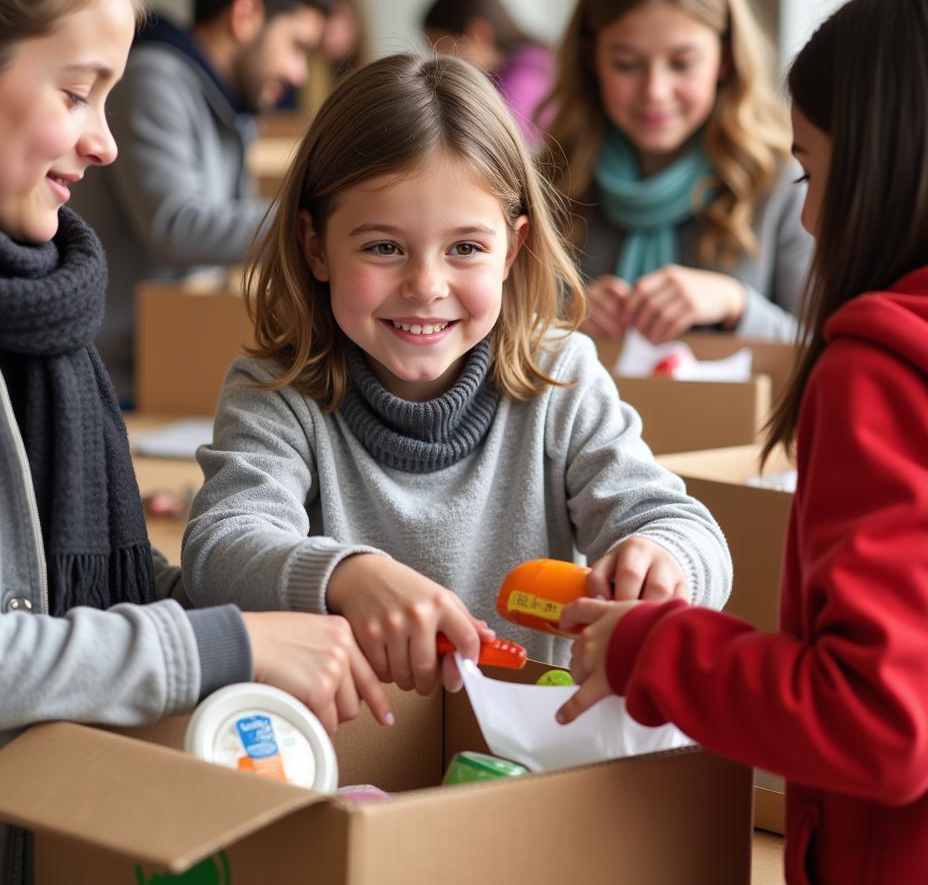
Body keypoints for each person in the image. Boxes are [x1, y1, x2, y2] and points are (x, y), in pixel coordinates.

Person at [0, 0, 390, 883]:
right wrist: (219, 644)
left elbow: (52, 595)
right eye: (77, 92)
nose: (105, 139)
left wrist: (327, 585)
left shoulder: (34, 301)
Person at [180, 52, 731, 693]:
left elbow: (685, 528)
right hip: (355, 744)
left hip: (528, 754)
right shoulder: (277, 392)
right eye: (383, 248)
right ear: (315, 247)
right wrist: (345, 576)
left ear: (512, 250)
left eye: (465, 248)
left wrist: (664, 562)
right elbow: (218, 550)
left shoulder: (561, 378)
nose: (425, 286)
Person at [554, 0, 928, 884]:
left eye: (813, 169)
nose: (806, 209)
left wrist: (651, 642)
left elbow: (879, 718)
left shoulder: (878, 367)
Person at [72, 0, 330, 404]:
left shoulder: (232, 103)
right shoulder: (154, 79)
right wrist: (320, 220)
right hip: (123, 374)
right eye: (296, 45)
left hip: (168, 352)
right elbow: (175, 226)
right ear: (246, 15)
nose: (298, 72)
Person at [542, 0, 812, 344]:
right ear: (590, 58)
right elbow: (492, 340)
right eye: (627, 64)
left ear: (724, 59)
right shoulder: (548, 178)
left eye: (683, 63)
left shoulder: (785, 181)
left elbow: (824, 351)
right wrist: (560, 324)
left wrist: (737, 304)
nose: (655, 92)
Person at [422, 0, 554, 147]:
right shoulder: (498, 75)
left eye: (442, 50)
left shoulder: (526, 78)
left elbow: (493, 148)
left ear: (478, 33)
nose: (438, 63)